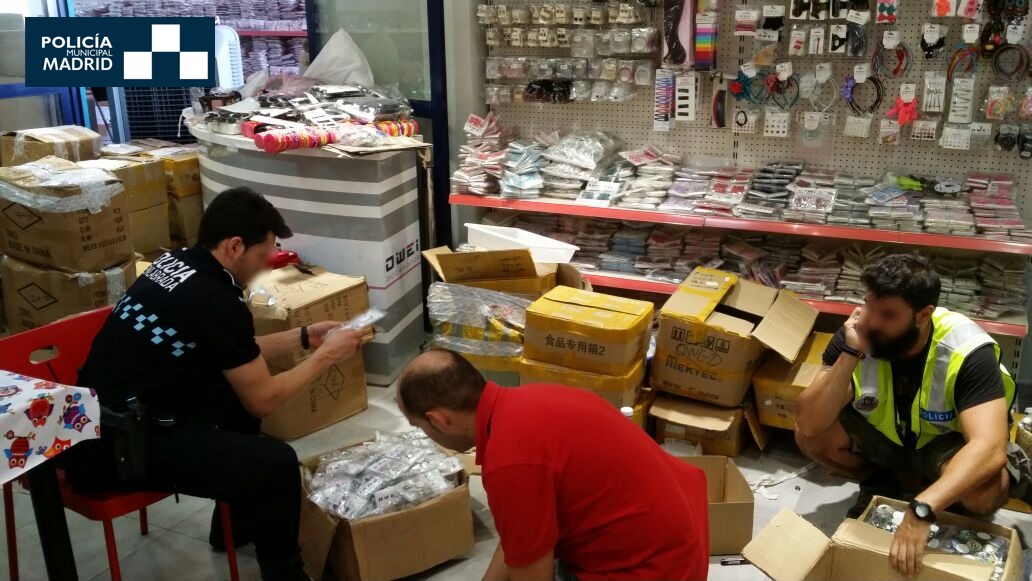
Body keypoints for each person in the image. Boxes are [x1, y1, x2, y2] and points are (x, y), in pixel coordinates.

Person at [63, 187, 365, 581]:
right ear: (235, 246)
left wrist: (304, 337)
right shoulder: (217, 299)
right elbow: (264, 399)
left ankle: (234, 527)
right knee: (276, 464)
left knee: (235, 396)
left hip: (102, 420)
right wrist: (326, 357)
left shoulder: (174, 263)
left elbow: (234, 353)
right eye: (263, 255)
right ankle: (285, 574)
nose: (267, 266)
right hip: (119, 446)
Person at [795, 253, 1032, 577]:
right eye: (869, 305)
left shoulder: (967, 349)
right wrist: (850, 354)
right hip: (887, 434)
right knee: (812, 436)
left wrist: (923, 509)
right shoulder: (859, 333)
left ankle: (938, 495)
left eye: (888, 314)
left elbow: (988, 447)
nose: (872, 322)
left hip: (944, 442)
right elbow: (809, 423)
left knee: (984, 493)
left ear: (923, 315)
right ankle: (882, 485)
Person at [395, 349, 710, 581]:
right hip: (678, 540)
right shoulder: (527, 401)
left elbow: (532, 573)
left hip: (655, 569)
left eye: (420, 426)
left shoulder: (510, 461)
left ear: (440, 420)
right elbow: (521, 536)